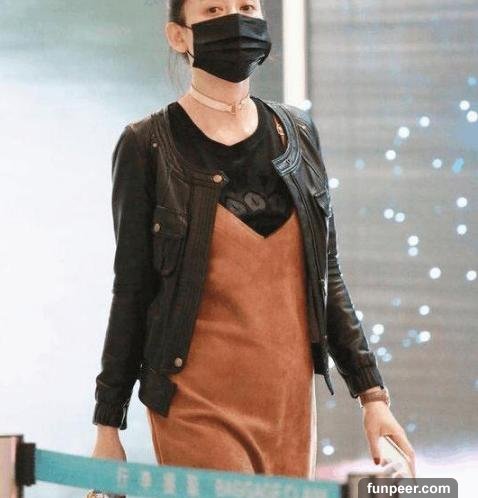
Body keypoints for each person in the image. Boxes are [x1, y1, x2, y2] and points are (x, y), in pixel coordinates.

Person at [91, 0, 416, 483]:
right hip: (194, 401)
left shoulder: (298, 133)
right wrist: (107, 423)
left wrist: (373, 396)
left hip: (288, 401)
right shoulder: (147, 145)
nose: (236, 19)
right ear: (178, 36)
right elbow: (132, 291)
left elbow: (327, 276)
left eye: (247, 5)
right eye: (213, 10)